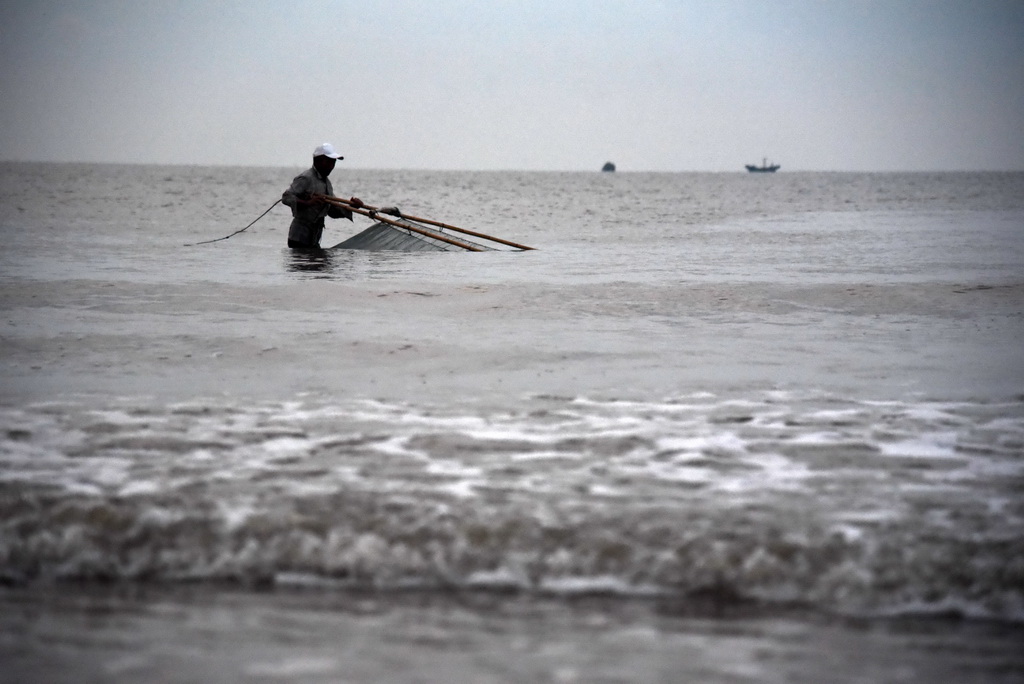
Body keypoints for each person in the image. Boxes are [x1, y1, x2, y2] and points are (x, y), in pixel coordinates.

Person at [281, 143, 364, 249]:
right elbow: (286, 197)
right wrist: (308, 203)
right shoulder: (306, 178)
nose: (332, 166)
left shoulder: (327, 183)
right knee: (305, 264)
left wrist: (352, 207)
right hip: (299, 237)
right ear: (318, 160)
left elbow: (332, 211)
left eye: (333, 162)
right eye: (328, 162)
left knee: (319, 264)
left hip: (314, 238)